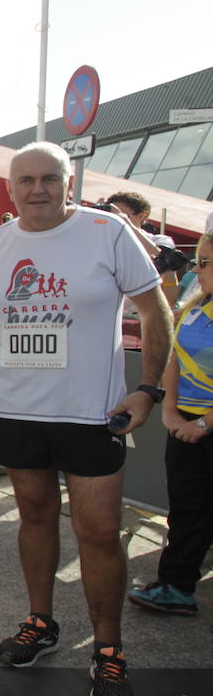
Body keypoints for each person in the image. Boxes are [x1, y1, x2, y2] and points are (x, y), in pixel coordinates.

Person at [0, 141, 172, 696]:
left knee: (97, 532)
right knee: (34, 518)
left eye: (48, 178)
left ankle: (109, 650)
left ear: (69, 182)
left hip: (91, 414)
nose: (37, 189)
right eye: (25, 180)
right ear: (10, 189)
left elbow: (155, 309)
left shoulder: (106, 232)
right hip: (18, 410)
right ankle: (41, 621)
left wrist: (149, 389)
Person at [130, 228, 213, 617]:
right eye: (198, 260)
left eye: (205, 262)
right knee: (186, 509)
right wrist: (171, 411)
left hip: (204, 425)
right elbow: (174, 359)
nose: (197, 269)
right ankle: (176, 586)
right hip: (185, 422)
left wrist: (205, 424)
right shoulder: (195, 307)